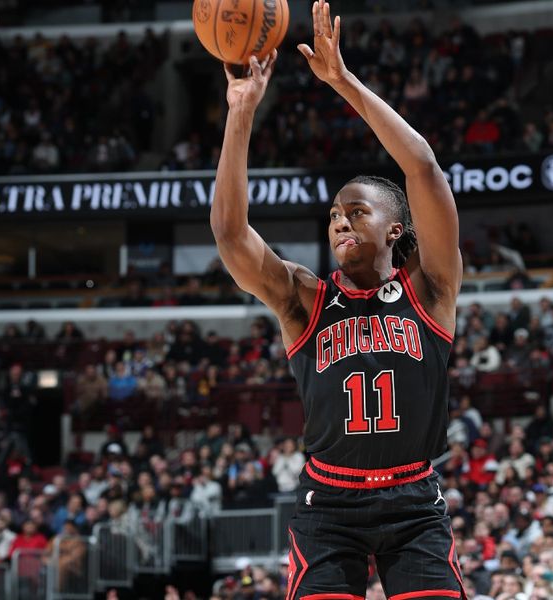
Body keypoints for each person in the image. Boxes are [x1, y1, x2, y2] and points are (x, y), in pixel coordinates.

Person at [210, 1, 463, 597]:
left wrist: (342, 82)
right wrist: (241, 112)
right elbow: (229, 234)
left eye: (356, 211)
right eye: (333, 215)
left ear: (396, 229)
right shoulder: (304, 298)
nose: (340, 223)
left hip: (413, 505)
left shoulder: (431, 287)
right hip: (329, 506)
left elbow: (423, 168)